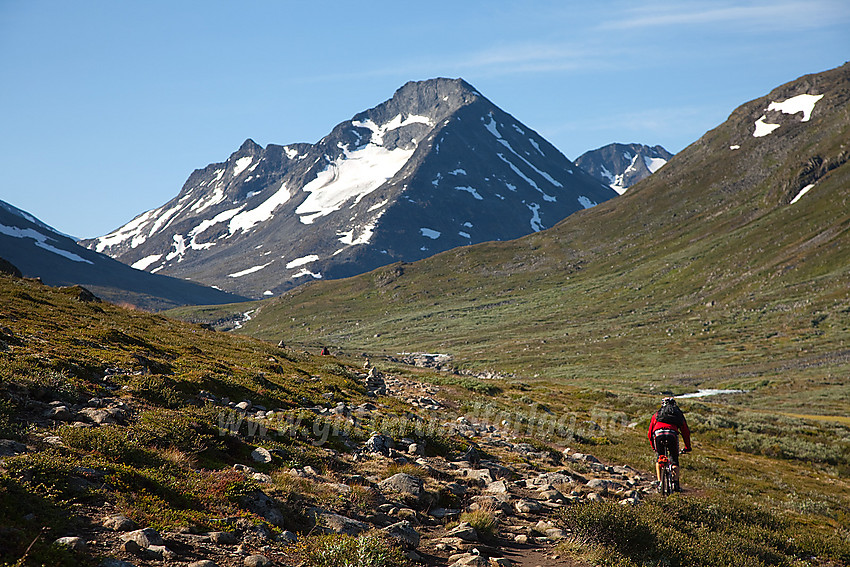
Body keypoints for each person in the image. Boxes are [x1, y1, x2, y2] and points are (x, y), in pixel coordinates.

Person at [648, 397, 692, 491]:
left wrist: (654, 447)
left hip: (658, 434)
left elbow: (650, 433)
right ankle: (675, 484)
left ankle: (660, 484)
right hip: (672, 435)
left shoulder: (657, 414)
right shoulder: (678, 415)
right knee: (674, 459)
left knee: (660, 458)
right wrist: (687, 447)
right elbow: (685, 432)